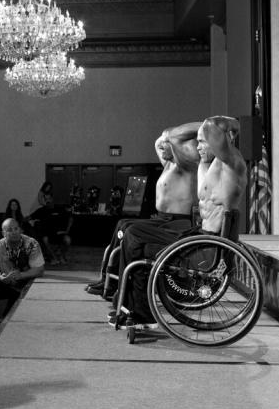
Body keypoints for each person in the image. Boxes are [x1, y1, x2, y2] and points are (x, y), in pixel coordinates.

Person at [114, 116, 248, 327]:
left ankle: (138, 310)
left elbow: (215, 127)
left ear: (224, 139)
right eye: (198, 141)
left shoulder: (231, 162)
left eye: (203, 142)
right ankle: (131, 306)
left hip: (210, 244)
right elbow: (162, 144)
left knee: (134, 236)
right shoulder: (206, 165)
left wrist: (213, 123)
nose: (198, 147)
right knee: (133, 236)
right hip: (198, 236)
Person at [85, 121, 200, 295]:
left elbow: (178, 138)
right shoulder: (168, 164)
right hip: (162, 218)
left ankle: (120, 286)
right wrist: (164, 136)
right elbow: (156, 143)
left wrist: (205, 125)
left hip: (176, 222)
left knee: (130, 230)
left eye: (166, 143)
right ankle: (107, 280)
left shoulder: (186, 165)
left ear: (177, 146)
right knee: (122, 224)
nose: (161, 146)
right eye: (161, 142)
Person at [0, 218, 46, 339]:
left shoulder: (31, 243)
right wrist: (0, 278)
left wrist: (21, 275)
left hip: (25, 284)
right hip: (6, 282)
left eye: (16, 229)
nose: (13, 232)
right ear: (3, 233)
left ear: (20, 229)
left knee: (8, 327)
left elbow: (39, 270)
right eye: (9, 230)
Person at [27, 195, 73, 264]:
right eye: (46, 199)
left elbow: (70, 219)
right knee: (45, 239)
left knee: (68, 240)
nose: (48, 201)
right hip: (47, 233)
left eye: (49, 199)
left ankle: (61, 256)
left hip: (59, 232)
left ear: (52, 199)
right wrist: (32, 222)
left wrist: (67, 230)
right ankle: (54, 258)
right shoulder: (41, 210)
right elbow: (29, 218)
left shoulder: (59, 208)